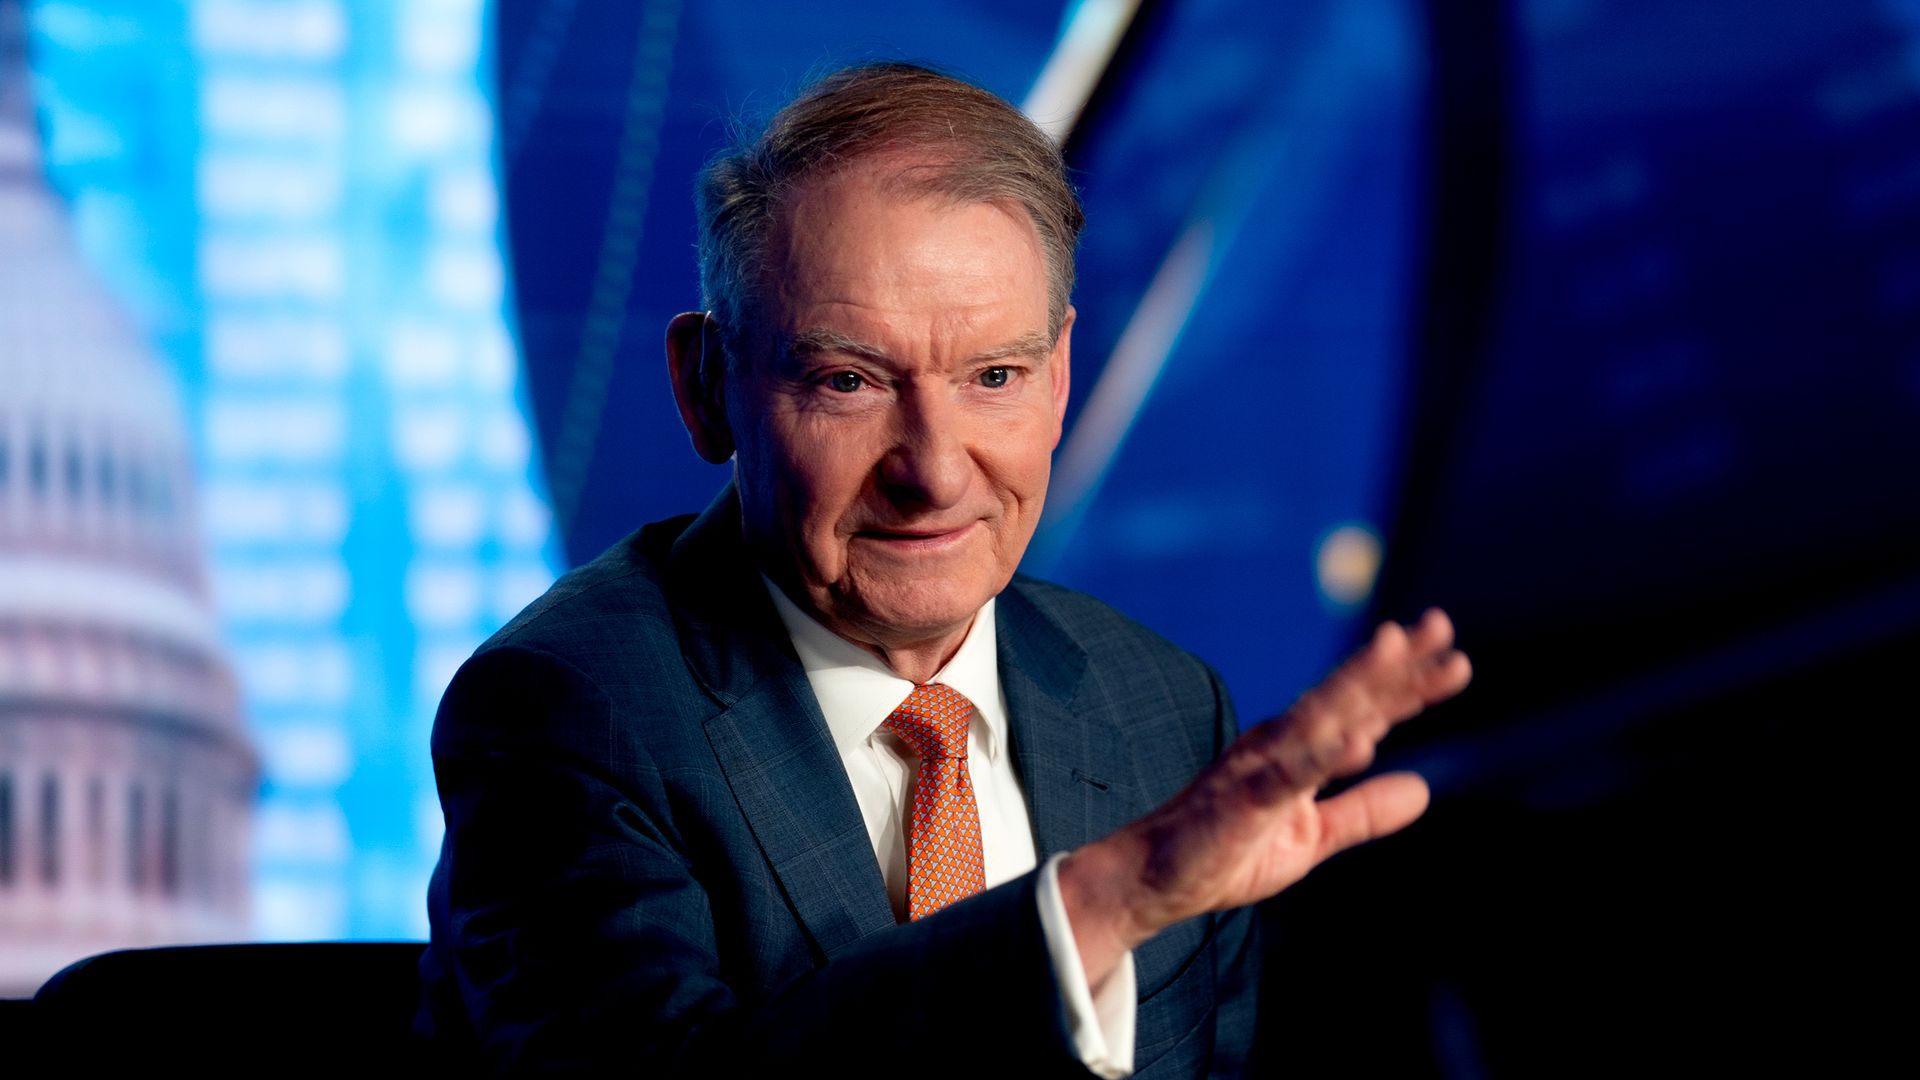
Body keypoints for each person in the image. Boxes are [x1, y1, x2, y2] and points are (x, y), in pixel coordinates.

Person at [417, 62, 1471, 1077]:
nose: (931, 471)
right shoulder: (568, 712)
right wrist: (1101, 909)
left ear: (1060, 381)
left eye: (994, 376)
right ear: (706, 388)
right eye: (848, 381)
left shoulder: (1161, 707)